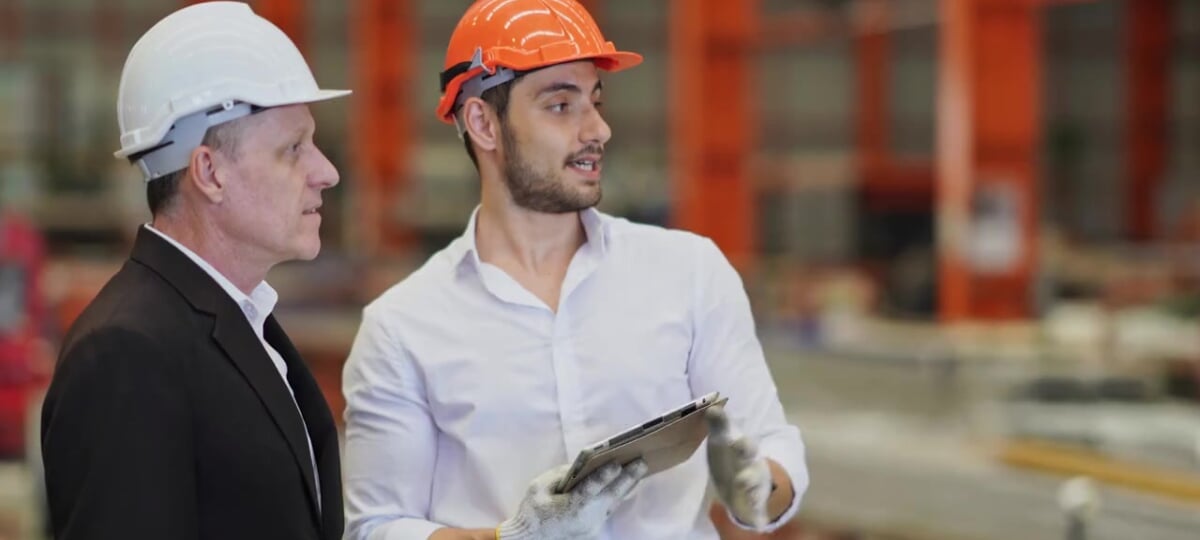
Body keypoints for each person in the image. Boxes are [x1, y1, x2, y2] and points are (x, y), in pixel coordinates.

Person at [341, 1, 808, 538]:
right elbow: (377, 528)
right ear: (482, 123)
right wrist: (513, 537)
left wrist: (758, 489)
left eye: (596, 101)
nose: (599, 129)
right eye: (561, 105)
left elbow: (771, 446)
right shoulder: (402, 328)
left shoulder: (689, 273)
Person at [39, 3, 350, 539]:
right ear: (209, 171)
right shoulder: (126, 353)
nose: (327, 172)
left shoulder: (237, 323)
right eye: (292, 148)